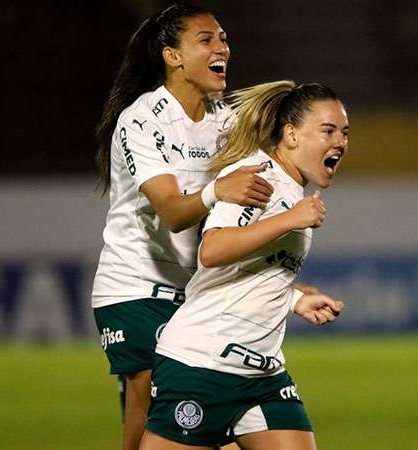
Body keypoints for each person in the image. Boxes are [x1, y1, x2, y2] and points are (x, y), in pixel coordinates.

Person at [91, 3, 274, 450]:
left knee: (210, 429)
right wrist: (219, 190)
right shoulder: (142, 119)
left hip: (194, 293)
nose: (222, 49)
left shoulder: (227, 122)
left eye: (224, 39)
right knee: (151, 404)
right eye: (207, 40)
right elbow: (173, 212)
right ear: (173, 56)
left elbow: (247, 209)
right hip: (136, 285)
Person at [139, 80, 349, 450]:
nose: (340, 142)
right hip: (202, 365)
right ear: (291, 135)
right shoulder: (257, 177)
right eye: (327, 131)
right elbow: (213, 249)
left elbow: (253, 270)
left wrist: (294, 299)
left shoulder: (290, 189)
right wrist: (288, 220)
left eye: (344, 133)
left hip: (262, 373)